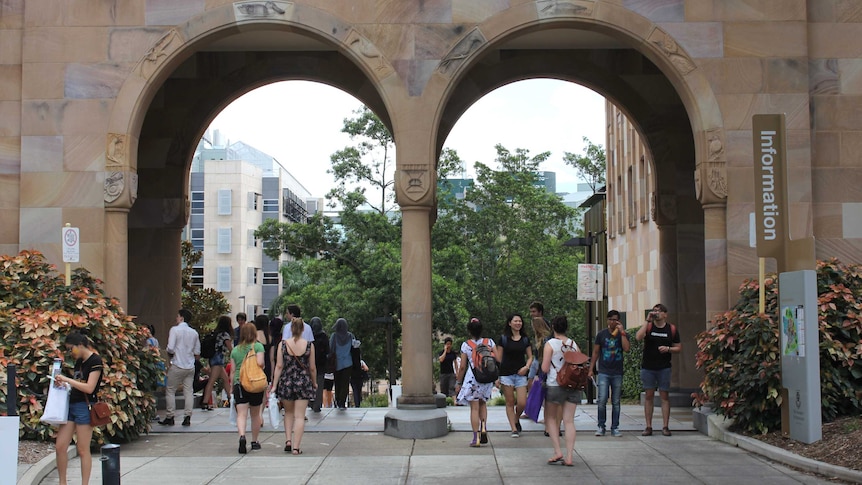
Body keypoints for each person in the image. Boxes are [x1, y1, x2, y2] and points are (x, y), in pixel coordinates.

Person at [54, 330, 103, 485]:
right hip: (72, 404)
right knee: (60, 446)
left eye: (71, 349)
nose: (70, 352)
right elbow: (77, 384)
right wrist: (64, 383)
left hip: (85, 406)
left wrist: (67, 380)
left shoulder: (95, 361)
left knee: (82, 449)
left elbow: (89, 387)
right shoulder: (79, 362)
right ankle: (62, 482)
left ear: (80, 345)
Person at [272, 316, 317, 454]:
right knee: (299, 416)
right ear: (303, 329)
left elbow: (279, 366)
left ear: (291, 329)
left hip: (286, 382)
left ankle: (288, 440)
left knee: (288, 413)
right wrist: (314, 382)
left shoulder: (283, 345)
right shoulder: (309, 345)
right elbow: (312, 367)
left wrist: (274, 385)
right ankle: (296, 447)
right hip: (303, 383)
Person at [636, 303, 681, 437]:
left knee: (664, 396)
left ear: (665, 314)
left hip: (664, 367)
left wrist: (668, 349)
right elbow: (638, 337)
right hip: (648, 367)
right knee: (649, 396)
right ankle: (648, 426)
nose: (656, 313)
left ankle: (665, 426)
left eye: (659, 311)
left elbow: (678, 347)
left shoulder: (671, 329)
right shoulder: (649, 327)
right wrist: (647, 320)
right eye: (654, 310)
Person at [542, 315, 581, 467]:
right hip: (572, 385)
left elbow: (545, 368)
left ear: (553, 327)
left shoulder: (550, 344)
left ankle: (558, 451)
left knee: (551, 419)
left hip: (555, 384)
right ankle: (570, 456)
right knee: (569, 421)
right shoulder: (573, 344)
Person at [455, 317, 496, 447]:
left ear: (469, 331)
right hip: (487, 378)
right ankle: (484, 427)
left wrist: (458, 382)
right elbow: (497, 358)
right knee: (483, 404)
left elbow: (462, 367)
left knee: (474, 408)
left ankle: (475, 437)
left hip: (473, 378)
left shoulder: (466, 345)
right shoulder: (489, 342)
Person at [589, 310, 630, 437]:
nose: (613, 322)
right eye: (611, 319)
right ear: (607, 320)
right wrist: (591, 369)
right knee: (602, 399)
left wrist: (622, 332)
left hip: (617, 371)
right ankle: (601, 426)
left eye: (616, 320)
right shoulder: (601, 334)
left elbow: (626, 349)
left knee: (616, 401)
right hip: (604, 371)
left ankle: (615, 427)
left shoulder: (622, 334)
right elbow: (596, 352)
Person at [230, 322, 265, 453]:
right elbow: (260, 363)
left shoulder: (235, 350)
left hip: (239, 383)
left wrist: (231, 386)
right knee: (255, 414)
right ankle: (254, 441)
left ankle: (242, 436)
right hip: (254, 383)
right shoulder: (258, 346)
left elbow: (233, 371)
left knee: (242, 414)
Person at [495, 313, 533, 438]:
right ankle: (513, 429)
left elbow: (530, 356)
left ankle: (516, 419)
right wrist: (497, 376)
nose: (518, 323)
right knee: (510, 402)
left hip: (520, 374)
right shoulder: (504, 339)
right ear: (509, 323)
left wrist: (526, 367)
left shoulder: (525, 339)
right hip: (506, 374)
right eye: (515, 321)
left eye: (520, 321)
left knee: (522, 402)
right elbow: (499, 359)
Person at [160, 308, 199, 427]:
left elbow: (170, 347)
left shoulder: (174, 330)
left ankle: (170, 416)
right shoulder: (194, 333)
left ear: (181, 317)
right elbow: (197, 351)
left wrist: (171, 353)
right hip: (190, 365)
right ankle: (187, 416)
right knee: (188, 391)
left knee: (170, 390)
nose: (176, 318)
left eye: (177, 316)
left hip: (177, 364)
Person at [202, 315, 233, 410]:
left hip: (213, 358)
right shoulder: (225, 335)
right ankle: (205, 402)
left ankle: (231, 399)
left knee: (225, 379)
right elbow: (230, 348)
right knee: (212, 380)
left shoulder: (216, 333)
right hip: (218, 358)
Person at [329, 317, 355, 409]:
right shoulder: (350, 336)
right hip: (348, 363)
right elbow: (354, 348)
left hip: (337, 363)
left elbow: (331, 349)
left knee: (337, 383)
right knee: (345, 383)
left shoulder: (334, 336)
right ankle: (342, 402)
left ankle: (337, 400)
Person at [309, 317, 329, 412]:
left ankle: (311, 403)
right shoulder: (324, 336)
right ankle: (317, 405)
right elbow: (327, 350)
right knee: (319, 385)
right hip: (321, 364)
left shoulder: (309, 336)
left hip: (310, 363)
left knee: (310, 384)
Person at [350, 340, 369, 407]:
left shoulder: (350, 360)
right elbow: (366, 368)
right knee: (359, 390)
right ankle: (358, 403)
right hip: (359, 377)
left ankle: (357, 403)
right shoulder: (361, 362)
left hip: (352, 377)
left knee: (355, 390)